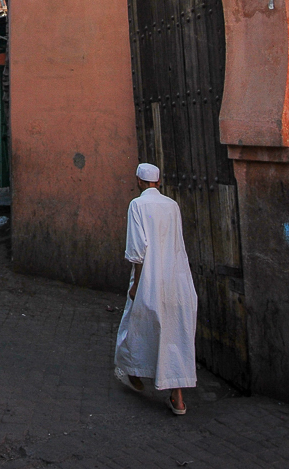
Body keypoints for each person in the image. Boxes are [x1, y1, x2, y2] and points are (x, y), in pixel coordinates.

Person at [114, 163, 197, 415]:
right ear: (158, 183)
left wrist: (137, 284)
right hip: (176, 277)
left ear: (139, 181)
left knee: (136, 325)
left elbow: (137, 250)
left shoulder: (137, 206)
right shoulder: (172, 206)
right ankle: (178, 397)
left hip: (149, 277)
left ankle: (133, 371)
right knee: (175, 333)